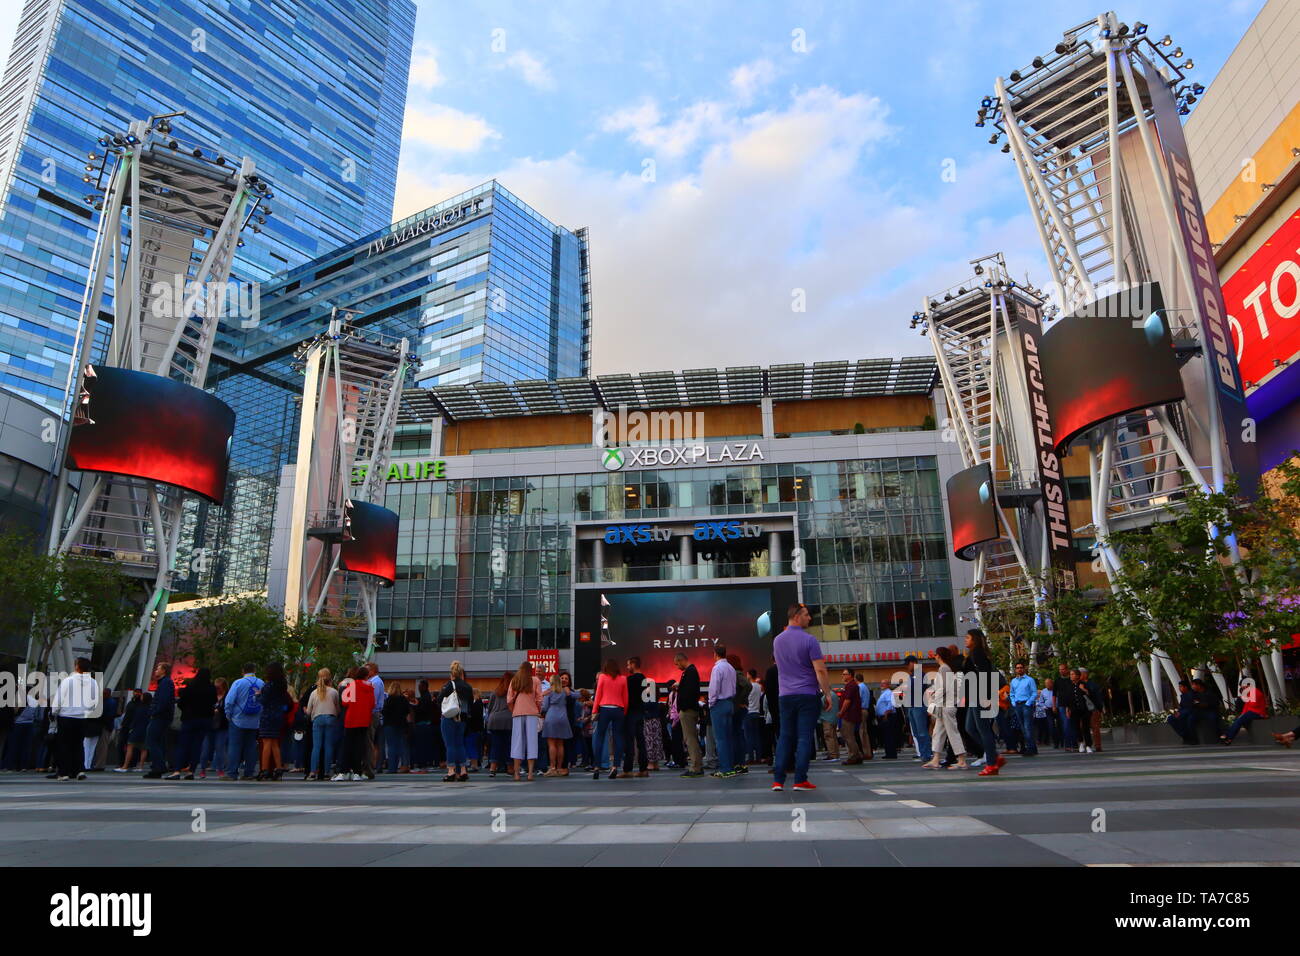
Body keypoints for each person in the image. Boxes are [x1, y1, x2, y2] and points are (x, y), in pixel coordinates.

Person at [771, 604, 834, 792]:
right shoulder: (810, 640)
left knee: (785, 736)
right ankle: (800, 780)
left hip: (785, 695)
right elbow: (820, 669)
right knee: (804, 737)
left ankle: (778, 780)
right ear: (797, 617)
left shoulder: (777, 641)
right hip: (807, 694)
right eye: (806, 615)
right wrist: (827, 693)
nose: (809, 618)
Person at [50, 658, 98, 781]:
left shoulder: (68, 681)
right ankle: (79, 770)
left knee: (64, 745)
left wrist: (54, 711)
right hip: (82, 718)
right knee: (78, 745)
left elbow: (59, 699)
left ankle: (64, 772)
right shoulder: (93, 683)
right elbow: (94, 701)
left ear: (77, 667)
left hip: (66, 716)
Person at [922, 645, 968, 770]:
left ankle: (962, 760)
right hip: (945, 705)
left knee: (952, 732)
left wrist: (934, 701)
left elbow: (943, 688)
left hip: (946, 705)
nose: (934, 657)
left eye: (936, 655)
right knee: (938, 732)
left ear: (939, 656)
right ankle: (936, 759)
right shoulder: (946, 668)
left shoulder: (944, 669)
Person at [963, 629, 1002, 776]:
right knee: (970, 728)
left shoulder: (977, 653)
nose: (965, 640)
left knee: (983, 730)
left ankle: (992, 763)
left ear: (975, 639)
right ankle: (994, 756)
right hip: (974, 696)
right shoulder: (973, 653)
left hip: (980, 696)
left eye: (968, 637)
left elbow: (985, 675)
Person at [168, 667, 216, 779]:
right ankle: (191, 771)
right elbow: (213, 702)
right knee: (197, 745)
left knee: (183, 744)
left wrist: (186, 709)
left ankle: (177, 770)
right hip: (204, 719)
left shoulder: (191, 686)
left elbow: (181, 702)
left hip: (190, 718)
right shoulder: (211, 688)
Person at [224, 663, 263, 781]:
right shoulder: (261, 683)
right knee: (251, 747)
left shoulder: (238, 683)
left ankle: (232, 773)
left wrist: (228, 714)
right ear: (255, 670)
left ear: (243, 671)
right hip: (254, 721)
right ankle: (249, 773)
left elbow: (229, 700)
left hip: (238, 719)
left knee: (235, 746)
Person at [336, 667, 375, 780]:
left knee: (348, 745)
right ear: (367, 676)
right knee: (360, 745)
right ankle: (357, 771)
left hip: (351, 718)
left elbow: (345, 701)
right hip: (364, 719)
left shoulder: (352, 685)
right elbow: (372, 704)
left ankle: (345, 770)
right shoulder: (370, 687)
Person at [591, 657, 627, 779]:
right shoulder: (623, 679)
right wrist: (624, 711)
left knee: (600, 738)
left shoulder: (602, 677)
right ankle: (615, 766)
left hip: (605, 708)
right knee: (618, 738)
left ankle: (596, 767)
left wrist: (594, 710)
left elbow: (598, 695)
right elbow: (625, 697)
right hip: (618, 709)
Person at [506, 661, 541, 781]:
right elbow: (539, 699)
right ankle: (530, 773)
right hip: (531, 713)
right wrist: (538, 709)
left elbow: (509, 700)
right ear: (531, 669)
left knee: (517, 743)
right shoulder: (535, 680)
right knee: (532, 742)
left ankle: (516, 773)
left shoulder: (515, 680)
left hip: (517, 713)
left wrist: (513, 710)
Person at [706, 644, 738, 778]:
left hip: (719, 704)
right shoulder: (731, 667)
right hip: (729, 703)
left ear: (715, 654)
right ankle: (730, 766)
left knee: (720, 739)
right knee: (728, 738)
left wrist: (711, 703)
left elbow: (714, 689)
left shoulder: (717, 668)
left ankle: (724, 769)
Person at [257, 662, 291, 780]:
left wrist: (258, 695)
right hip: (278, 715)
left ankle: (264, 769)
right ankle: (278, 768)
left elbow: (263, 701)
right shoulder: (282, 685)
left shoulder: (268, 686)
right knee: (275, 743)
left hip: (267, 715)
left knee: (266, 742)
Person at [440, 661, 473, 782]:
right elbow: (470, 704)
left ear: (452, 673)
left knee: (450, 745)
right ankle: (463, 770)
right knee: (460, 744)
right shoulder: (468, 687)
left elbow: (439, 699)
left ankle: (451, 770)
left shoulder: (449, 685)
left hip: (449, 717)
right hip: (462, 718)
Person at [305, 668, 339, 780]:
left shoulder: (314, 692)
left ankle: (313, 771)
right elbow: (337, 707)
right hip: (330, 718)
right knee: (328, 746)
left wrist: (307, 712)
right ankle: (326, 772)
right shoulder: (334, 692)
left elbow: (309, 711)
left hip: (317, 718)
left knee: (316, 747)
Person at [141, 663, 174, 779]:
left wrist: (153, 712)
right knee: (157, 741)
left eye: (158, 669)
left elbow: (163, 701)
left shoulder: (165, 683)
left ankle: (158, 766)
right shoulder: (166, 683)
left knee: (152, 740)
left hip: (160, 717)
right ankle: (157, 766)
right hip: (162, 716)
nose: (155, 671)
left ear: (164, 670)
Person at [673, 654, 703, 777]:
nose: (677, 667)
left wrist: (683, 707)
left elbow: (690, 692)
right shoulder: (691, 672)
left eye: (677, 664)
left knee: (690, 739)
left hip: (688, 711)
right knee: (691, 739)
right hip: (689, 709)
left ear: (681, 660)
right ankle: (697, 765)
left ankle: (695, 767)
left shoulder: (690, 672)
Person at [620, 657, 650, 778]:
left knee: (629, 741)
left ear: (633, 664)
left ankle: (627, 769)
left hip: (630, 712)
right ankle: (643, 769)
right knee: (641, 742)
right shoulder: (644, 679)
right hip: (640, 712)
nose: (627, 668)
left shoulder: (630, 680)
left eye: (628, 665)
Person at [541, 675, 575, 776]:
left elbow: (545, 707)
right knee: (560, 744)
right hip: (563, 717)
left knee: (551, 744)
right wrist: (570, 691)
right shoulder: (564, 691)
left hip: (551, 717)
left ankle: (552, 768)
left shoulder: (549, 691)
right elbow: (577, 695)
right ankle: (560, 768)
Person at [903, 656, 933, 764]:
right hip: (912, 706)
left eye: (908, 664)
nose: (907, 666)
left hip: (919, 705)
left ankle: (926, 754)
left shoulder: (920, 674)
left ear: (914, 663)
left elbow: (919, 690)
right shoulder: (912, 676)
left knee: (921, 732)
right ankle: (923, 754)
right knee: (916, 732)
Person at [1221, 678, 1268, 745]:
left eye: (1243, 686)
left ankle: (1228, 736)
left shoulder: (1254, 691)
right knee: (1239, 719)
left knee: (1240, 720)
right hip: (1252, 712)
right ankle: (1228, 737)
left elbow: (1253, 705)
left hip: (1258, 713)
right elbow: (1246, 707)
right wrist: (1242, 714)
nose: (1242, 688)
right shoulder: (1250, 693)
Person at [199, 677, 228, 778]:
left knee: (220, 748)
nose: (217, 690)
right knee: (205, 749)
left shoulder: (227, 697)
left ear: (223, 687)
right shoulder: (211, 696)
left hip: (222, 725)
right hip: (210, 725)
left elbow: (229, 709)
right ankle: (202, 769)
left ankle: (220, 769)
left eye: (219, 688)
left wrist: (220, 711)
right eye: (215, 687)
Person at [485, 672, 513, 777]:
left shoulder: (495, 692)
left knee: (495, 745)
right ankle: (510, 768)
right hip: (508, 721)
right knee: (508, 745)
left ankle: (492, 768)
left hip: (494, 720)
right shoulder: (512, 692)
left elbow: (490, 708)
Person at [1008, 661, 1038, 756]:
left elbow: (1034, 693)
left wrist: (1028, 703)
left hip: (1026, 704)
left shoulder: (1030, 680)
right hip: (1017, 705)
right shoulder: (1013, 681)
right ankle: (1031, 747)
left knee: (1028, 727)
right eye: (1017, 668)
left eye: (1021, 667)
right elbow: (1012, 693)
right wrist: (1013, 702)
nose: (1019, 669)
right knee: (1022, 728)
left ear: (1024, 669)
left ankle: (1030, 748)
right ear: (1015, 669)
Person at [381, 680, 411, 773]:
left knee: (391, 746)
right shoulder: (403, 700)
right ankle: (404, 765)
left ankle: (392, 768)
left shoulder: (389, 699)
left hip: (389, 725)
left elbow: (384, 712)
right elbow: (407, 711)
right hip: (401, 724)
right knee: (401, 745)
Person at [837, 670, 863, 764]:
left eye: (845, 674)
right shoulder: (851, 685)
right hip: (851, 714)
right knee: (850, 736)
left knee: (848, 736)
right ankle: (858, 755)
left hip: (849, 715)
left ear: (850, 675)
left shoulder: (850, 686)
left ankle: (853, 756)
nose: (842, 675)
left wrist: (841, 712)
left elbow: (847, 701)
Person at [1078, 666, 1105, 752]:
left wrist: (1100, 709)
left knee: (1095, 727)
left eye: (1080, 674)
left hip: (1093, 709)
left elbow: (1098, 697)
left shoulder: (1093, 685)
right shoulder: (1077, 685)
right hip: (1082, 710)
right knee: (1082, 727)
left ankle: (1098, 745)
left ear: (1085, 674)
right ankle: (1086, 745)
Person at [877, 680, 902, 758]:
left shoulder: (888, 693)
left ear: (888, 685)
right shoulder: (884, 693)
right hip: (886, 716)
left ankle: (891, 754)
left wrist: (886, 713)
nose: (882, 684)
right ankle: (889, 753)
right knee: (887, 736)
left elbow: (890, 703)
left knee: (889, 735)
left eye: (884, 683)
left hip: (888, 716)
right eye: (881, 683)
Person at [1168, 680, 1198, 744]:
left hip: (1192, 712)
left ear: (1186, 687)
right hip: (1184, 712)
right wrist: (1178, 712)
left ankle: (1192, 738)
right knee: (1170, 719)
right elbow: (1182, 706)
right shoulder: (1183, 695)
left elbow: (1192, 706)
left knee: (1188, 719)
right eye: (1179, 687)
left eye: (1180, 687)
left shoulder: (1191, 694)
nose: (1179, 688)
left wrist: (1180, 713)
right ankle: (1184, 735)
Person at [1054, 663, 1075, 750]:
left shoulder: (1071, 680)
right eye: (1060, 669)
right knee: (1066, 723)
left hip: (1073, 704)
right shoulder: (1058, 680)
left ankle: (1075, 742)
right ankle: (1068, 744)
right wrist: (1054, 705)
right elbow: (1054, 694)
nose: (1061, 671)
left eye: (1063, 669)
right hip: (1062, 704)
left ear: (1067, 669)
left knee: (1073, 723)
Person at [818, 685, 840, 761]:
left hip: (827, 718)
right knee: (834, 737)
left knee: (828, 737)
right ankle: (836, 754)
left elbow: (822, 706)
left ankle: (832, 755)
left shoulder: (826, 696)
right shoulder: (834, 695)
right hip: (834, 718)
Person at [1035, 679, 1054, 748]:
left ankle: (1050, 740)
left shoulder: (1056, 690)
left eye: (1048, 683)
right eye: (1046, 683)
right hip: (1045, 711)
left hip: (1055, 709)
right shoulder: (1043, 691)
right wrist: (1044, 706)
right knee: (1046, 726)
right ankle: (1042, 740)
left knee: (1049, 726)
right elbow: (1040, 702)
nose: (1047, 684)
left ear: (1052, 683)